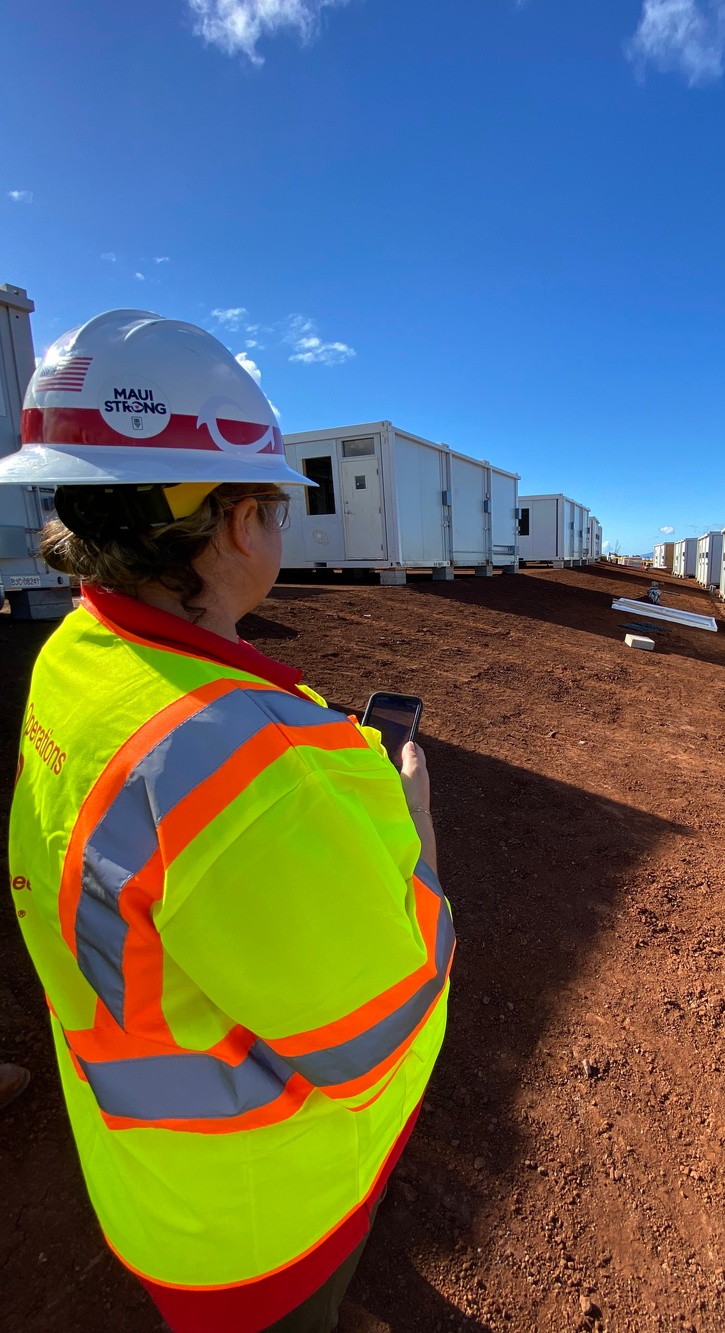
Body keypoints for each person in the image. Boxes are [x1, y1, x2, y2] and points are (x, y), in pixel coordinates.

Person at [1, 309, 455, 1333]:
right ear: (240, 523)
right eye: (278, 508)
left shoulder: (78, 652)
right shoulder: (256, 775)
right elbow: (376, 1037)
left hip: (149, 1175)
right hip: (257, 1218)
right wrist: (417, 840)